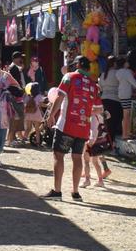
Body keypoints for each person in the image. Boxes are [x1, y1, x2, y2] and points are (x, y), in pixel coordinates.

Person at [44, 57, 100, 201]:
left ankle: (57, 191)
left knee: (58, 155)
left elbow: (59, 98)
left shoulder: (69, 77)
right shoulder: (94, 85)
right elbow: (98, 109)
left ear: (78, 65)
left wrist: (51, 116)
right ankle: (75, 192)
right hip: (83, 128)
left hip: (66, 125)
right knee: (77, 158)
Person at [111, 53, 136, 139]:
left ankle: (126, 133)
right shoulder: (126, 72)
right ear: (124, 63)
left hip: (121, 94)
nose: (128, 63)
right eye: (126, 62)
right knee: (127, 115)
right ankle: (125, 134)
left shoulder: (118, 72)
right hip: (126, 95)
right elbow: (134, 83)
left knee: (125, 115)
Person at [99, 55, 125, 145]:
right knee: (114, 123)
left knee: (106, 123)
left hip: (104, 100)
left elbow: (101, 88)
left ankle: (105, 142)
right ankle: (111, 143)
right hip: (115, 100)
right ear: (114, 63)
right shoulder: (118, 73)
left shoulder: (103, 74)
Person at [81, 103, 107, 189]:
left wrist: (89, 142)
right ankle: (100, 181)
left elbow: (92, 129)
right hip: (99, 141)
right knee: (95, 162)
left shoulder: (92, 116)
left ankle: (87, 180)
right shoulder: (101, 116)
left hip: (91, 140)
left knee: (86, 160)